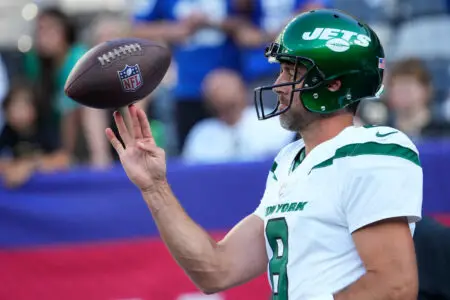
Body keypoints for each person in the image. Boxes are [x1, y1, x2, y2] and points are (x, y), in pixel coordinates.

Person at [106, 9, 423, 299]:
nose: (278, 84)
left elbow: (393, 285)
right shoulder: (289, 161)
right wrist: (154, 187)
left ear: (334, 85)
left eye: (290, 72)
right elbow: (217, 269)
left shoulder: (371, 151)